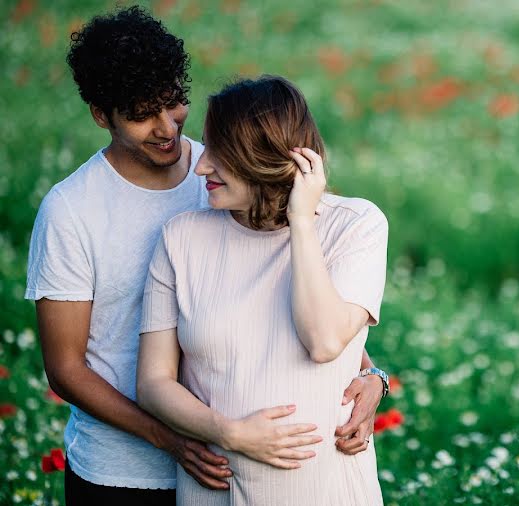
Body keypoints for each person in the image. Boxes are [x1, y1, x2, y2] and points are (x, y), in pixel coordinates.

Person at [25, 6, 388, 505]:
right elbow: (65, 369)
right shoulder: (72, 211)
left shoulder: (226, 172)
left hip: (226, 465)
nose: (166, 129)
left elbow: (294, 298)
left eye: (173, 104)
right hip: (125, 470)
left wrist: (370, 374)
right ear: (100, 115)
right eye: (139, 114)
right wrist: (175, 439)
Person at [136, 75, 387, 505]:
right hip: (218, 491)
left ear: (267, 158)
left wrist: (302, 222)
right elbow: (153, 382)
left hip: (327, 489)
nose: (201, 166)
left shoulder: (355, 226)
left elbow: (324, 341)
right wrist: (229, 432)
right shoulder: (180, 239)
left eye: (220, 153)